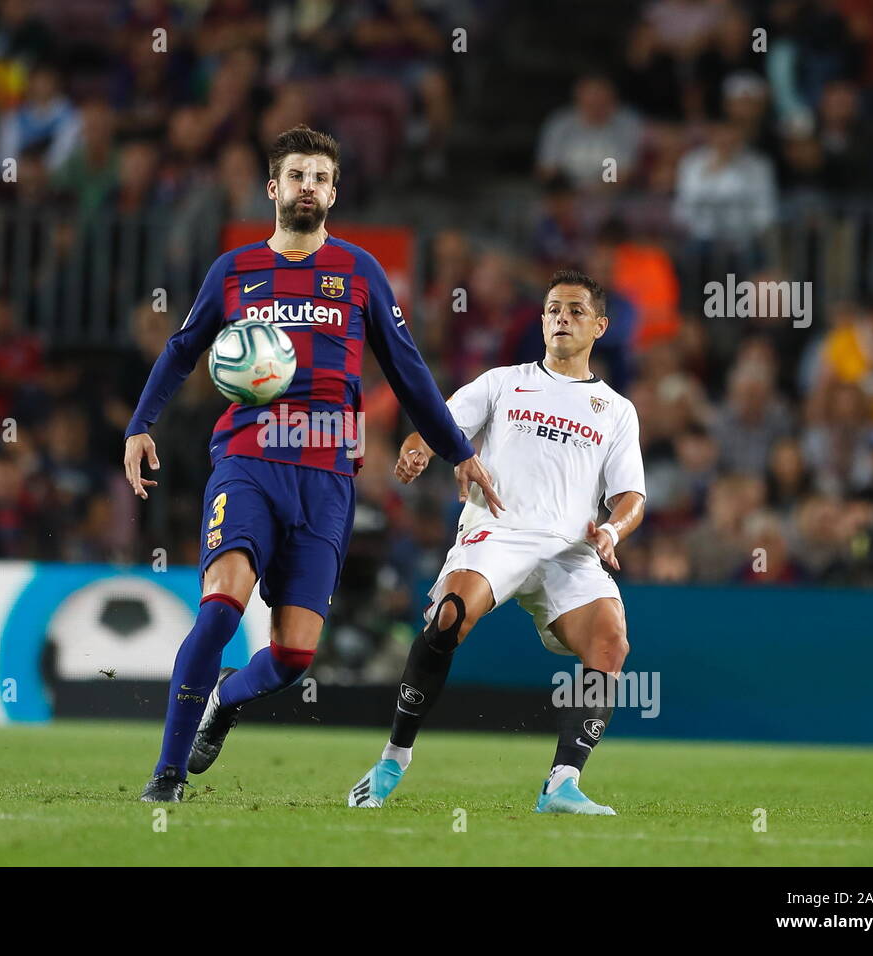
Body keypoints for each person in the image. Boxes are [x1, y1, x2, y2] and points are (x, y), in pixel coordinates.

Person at [124, 125, 501, 802]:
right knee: (219, 611)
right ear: (273, 188)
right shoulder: (233, 270)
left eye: (321, 178)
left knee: (293, 657)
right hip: (248, 460)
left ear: (334, 191)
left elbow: (407, 368)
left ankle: (224, 703)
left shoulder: (358, 272)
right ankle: (168, 774)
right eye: (297, 175)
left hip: (328, 477)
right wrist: (139, 425)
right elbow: (183, 347)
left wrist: (460, 451)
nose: (309, 188)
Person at [348, 269, 646, 815]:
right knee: (450, 616)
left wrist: (610, 530)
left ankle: (561, 785)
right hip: (498, 532)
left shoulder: (616, 410)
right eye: (554, 308)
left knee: (611, 642)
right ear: (541, 320)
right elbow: (438, 425)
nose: (562, 317)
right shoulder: (502, 382)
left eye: (577, 310)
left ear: (600, 326)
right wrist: (417, 447)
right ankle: (394, 757)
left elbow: (632, 498)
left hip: (570, 548)